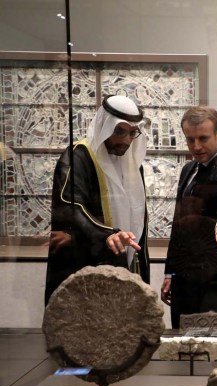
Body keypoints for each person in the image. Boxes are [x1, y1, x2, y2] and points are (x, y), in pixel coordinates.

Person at [45, 95, 150, 305]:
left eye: (132, 133)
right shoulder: (79, 157)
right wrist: (107, 234)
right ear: (104, 126)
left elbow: (138, 217)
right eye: (119, 131)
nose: (126, 140)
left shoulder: (132, 163)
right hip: (86, 261)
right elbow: (70, 207)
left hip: (125, 260)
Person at [161, 107, 217, 329]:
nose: (196, 146)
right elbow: (178, 223)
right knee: (182, 348)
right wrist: (170, 271)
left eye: (203, 138)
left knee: (213, 353)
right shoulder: (189, 168)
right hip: (184, 277)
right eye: (190, 140)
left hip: (216, 281)